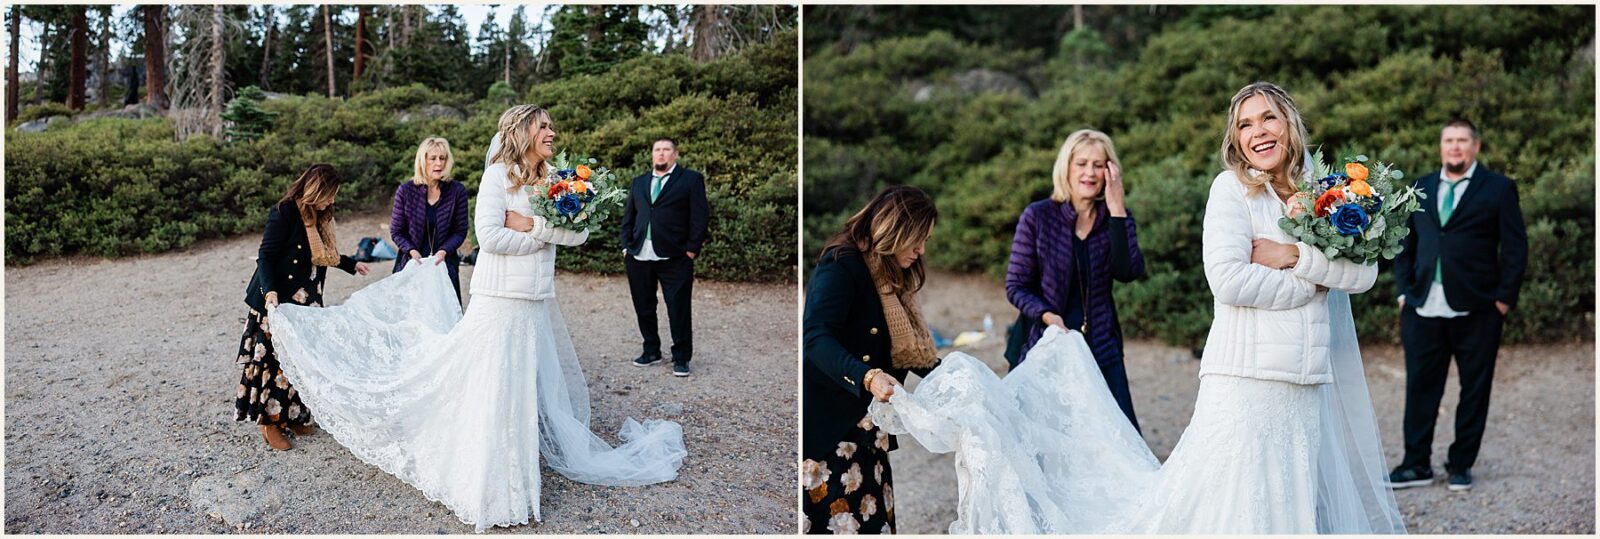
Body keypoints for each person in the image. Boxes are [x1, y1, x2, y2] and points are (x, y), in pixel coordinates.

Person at [867, 82, 1405, 534]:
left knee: (1276, 492)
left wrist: (1293, 257)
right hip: (1185, 364)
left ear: (1290, 124)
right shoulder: (1223, 193)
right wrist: (1312, 284)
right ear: (1235, 138)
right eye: (1246, 123)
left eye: (1269, 119)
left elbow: (1362, 273)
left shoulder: (1329, 194)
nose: (1259, 130)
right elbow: (1230, 282)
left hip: (1263, 369)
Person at [265, 105, 687, 531]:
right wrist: (537, 236)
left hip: (536, 299)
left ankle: (519, 479)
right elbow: (490, 237)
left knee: (522, 389)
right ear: (522, 131)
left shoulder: (557, 177)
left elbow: (578, 232)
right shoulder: (498, 176)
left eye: (551, 126)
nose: (552, 133)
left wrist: (534, 226)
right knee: (495, 387)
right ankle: (490, 486)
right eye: (544, 126)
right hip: (500, 299)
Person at [1389, 118, 1527, 492]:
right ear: (1441, 146)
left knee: (1475, 389)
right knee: (1420, 388)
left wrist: (1502, 300)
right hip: (1422, 307)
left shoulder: (1498, 189)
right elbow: (1403, 243)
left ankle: (1461, 463)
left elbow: (1515, 249)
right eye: (1449, 140)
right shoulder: (1420, 186)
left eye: (1462, 140)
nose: (1455, 147)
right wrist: (1404, 292)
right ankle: (1415, 464)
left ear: (1475, 146)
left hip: (1478, 309)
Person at [801, 185, 941, 534]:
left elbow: (905, 349)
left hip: (869, 430)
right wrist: (867, 376)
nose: (922, 250)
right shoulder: (841, 265)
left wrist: (958, 380)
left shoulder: (891, 272)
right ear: (895, 231)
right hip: (832, 430)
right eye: (917, 239)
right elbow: (815, 338)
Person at [1004, 128, 1146, 430]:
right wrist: (1045, 315)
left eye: (1098, 164)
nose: (1090, 172)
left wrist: (1117, 208)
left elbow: (1128, 271)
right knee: (1048, 443)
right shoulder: (1038, 216)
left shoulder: (1117, 217)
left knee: (1120, 439)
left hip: (1100, 346)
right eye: (1082, 163)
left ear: (1110, 171)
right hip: (1047, 342)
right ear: (1066, 166)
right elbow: (1016, 285)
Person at [235, 164, 370, 451]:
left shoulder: (319, 215)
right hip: (278, 299)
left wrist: (350, 263)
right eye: (329, 194)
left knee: (301, 360)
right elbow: (266, 255)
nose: (332, 201)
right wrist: (270, 291)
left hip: (307, 298)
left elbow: (322, 253)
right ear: (316, 190)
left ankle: (292, 415)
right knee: (272, 362)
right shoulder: (284, 212)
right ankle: (268, 422)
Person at [621, 138, 710, 377]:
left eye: (666, 150)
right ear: (652, 155)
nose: (661, 154)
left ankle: (681, 357)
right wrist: (626, 246)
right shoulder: (639, 182)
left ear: (675, 155)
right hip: (639, 255)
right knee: (644, 306)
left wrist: (691, 250)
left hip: (676, 256)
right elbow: (629, 216)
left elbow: (700, 216)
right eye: (657, 150)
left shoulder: (691, 179)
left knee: (678, 308)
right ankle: (651, 350)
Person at [390, 137, 470, 301]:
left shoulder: (457, 191)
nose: (439, 163)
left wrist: (444, 251)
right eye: (432, 158)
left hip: (444, 266)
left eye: (442, 158)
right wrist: (412, 251)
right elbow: (397, 231)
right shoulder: (405, 191)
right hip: (412, 264)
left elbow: (460, 231)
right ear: (422, 160)